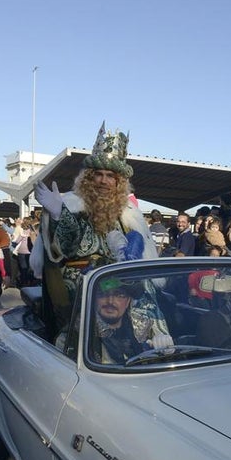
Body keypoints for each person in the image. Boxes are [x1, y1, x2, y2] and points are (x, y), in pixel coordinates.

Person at [31, 123, 158, 320]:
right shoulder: (71, 205)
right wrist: (59, 215)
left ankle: (159, 340)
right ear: (89, 178)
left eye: (110, 176)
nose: (103, 181)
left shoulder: (129, 215)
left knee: (146, 293)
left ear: (118, 183)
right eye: (98, 174)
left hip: (118, 284)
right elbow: (65, 249)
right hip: (79, 284)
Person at [89, 276, 172, 364]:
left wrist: (165, 348)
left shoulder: (143, 326)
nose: (110, 301)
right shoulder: (86, 331)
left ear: (128, 301)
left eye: (119, 295)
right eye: (103, 294)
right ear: (94, 299)